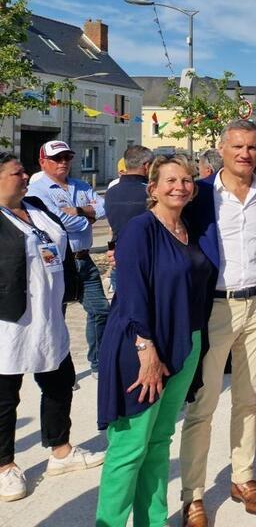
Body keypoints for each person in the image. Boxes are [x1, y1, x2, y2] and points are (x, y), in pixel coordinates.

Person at [95, 155, 214, 527]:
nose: (180, 186)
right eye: (171, 180)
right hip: (143, 347)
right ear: (152, 188)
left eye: (187, 180)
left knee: (160, 440)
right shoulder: (140, 229)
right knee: (129, 447)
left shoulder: (190, 228)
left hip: (185, 344)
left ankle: (154, 521)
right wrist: (146, 350)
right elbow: (130, 296)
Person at [179, 120, 256, 526]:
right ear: (221, 149)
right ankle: (193, 495)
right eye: (237, 146)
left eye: (252, 147)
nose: (245, 153)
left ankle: (243, 477)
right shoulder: (200, 196)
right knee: (203, 405)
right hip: (215, 309)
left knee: (248, 397)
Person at [0, 153, 101, 504]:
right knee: (5, 395)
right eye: (17, 172)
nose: (25, 175)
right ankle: (5, 466)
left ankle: (61, 450)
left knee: (59, 383)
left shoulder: (36, 205)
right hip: (9, 321)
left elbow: (65, 237)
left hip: (50, 314)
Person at [28, 140, 108, 373]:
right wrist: (89, 217)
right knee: (56, 317)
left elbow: (105, 207)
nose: (63, 162)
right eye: (57, 158)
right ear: (43, 162)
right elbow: (59, 222)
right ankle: (57, 369)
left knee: (100, 310)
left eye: (67, 158)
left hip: (85, 258)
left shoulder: (81, 185)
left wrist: (81, 211)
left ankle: (98, 362)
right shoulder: (37, 191)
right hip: (59, 260)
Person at [105, 146, 154, 247]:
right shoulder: (151, 191)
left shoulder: (111, 191)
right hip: (146, 248)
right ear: (147, 166)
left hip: (119, 247)